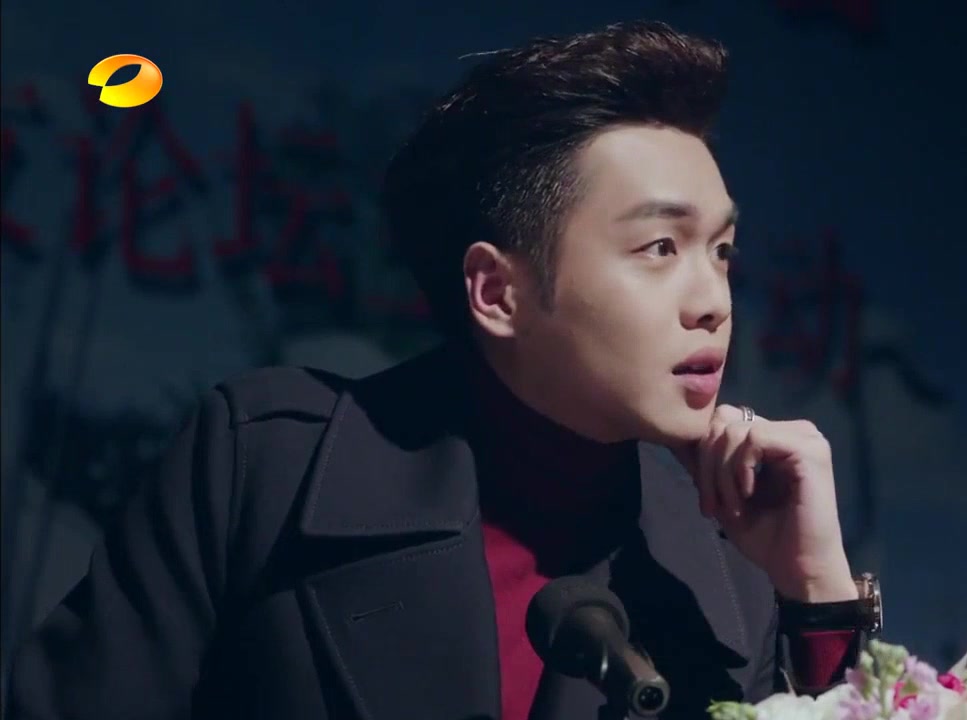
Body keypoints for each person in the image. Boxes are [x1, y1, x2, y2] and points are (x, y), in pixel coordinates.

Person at [6, 20, 881, 720]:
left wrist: (818, 595)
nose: (713, 300)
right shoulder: (263, 468)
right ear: (496, 292)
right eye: (660, 247)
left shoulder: (727, 570)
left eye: (722, 251)